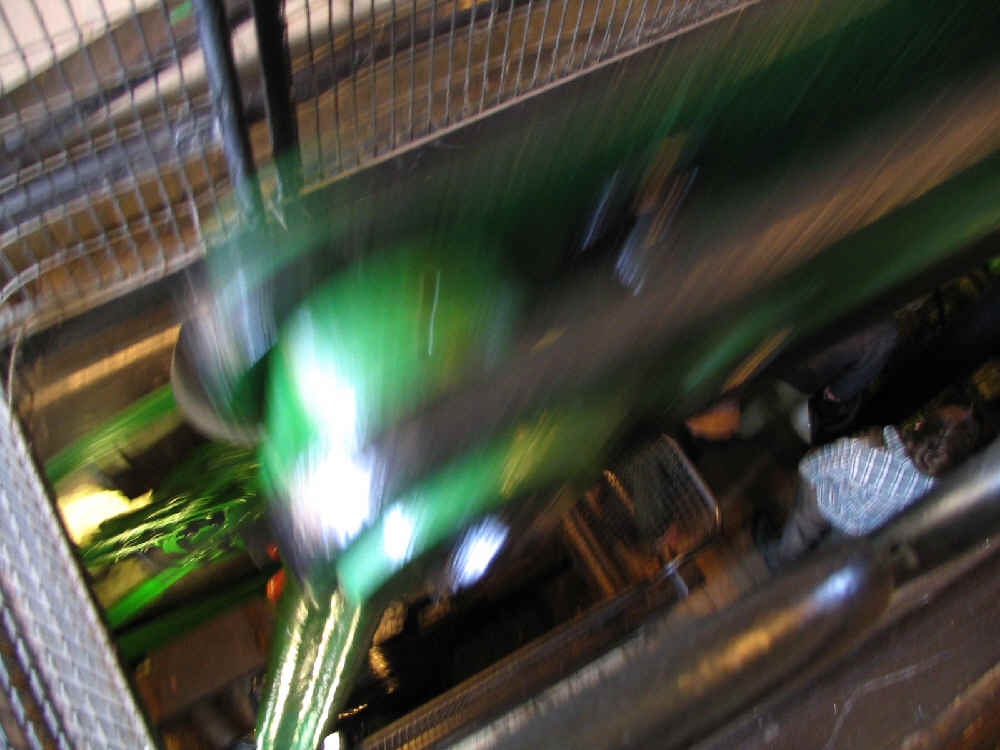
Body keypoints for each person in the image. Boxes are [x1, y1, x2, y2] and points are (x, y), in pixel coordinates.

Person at [764, 401, 981, 569]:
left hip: (825, 502)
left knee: (801, 529)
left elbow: (812, 467)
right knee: (826, 555)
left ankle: (780, 559)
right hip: (860, 529)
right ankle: (802, 577)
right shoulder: (934, 486)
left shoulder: (865, 453)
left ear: (920, 425)